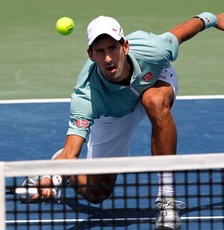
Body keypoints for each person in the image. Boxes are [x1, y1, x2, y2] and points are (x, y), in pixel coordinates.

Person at [23, 12, 224, 230]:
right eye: (100, 51)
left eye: (112, 48)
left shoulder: (152, 49)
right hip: (113, 114)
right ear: (90, 55)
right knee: (97, 194)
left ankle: (167, 200)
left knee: (155, 101)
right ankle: (58, 170)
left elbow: (180, 33)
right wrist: (53, 178)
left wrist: (210, 18)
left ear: (125, 46)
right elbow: (72, 151)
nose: (108, 58)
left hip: (152, 84)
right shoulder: (86, 96)